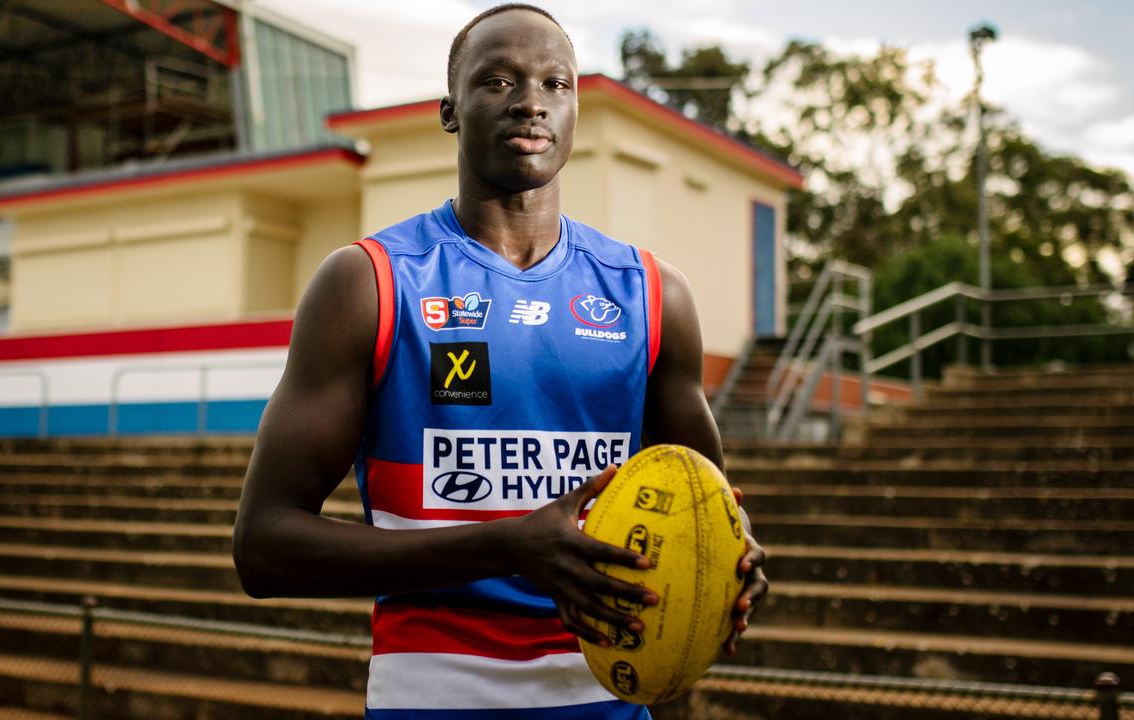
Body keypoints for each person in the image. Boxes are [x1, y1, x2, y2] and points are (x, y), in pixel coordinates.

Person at [233, 4, 768, 717]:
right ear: (450, 111)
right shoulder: (370, 283)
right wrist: (505, 547)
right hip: (434, 700)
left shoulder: (653, 296)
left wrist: (732, 568)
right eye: (499, 81)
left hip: (606, 703)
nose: (531, 102)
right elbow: (264, 547)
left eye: (556, 83)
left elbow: (705, 517)